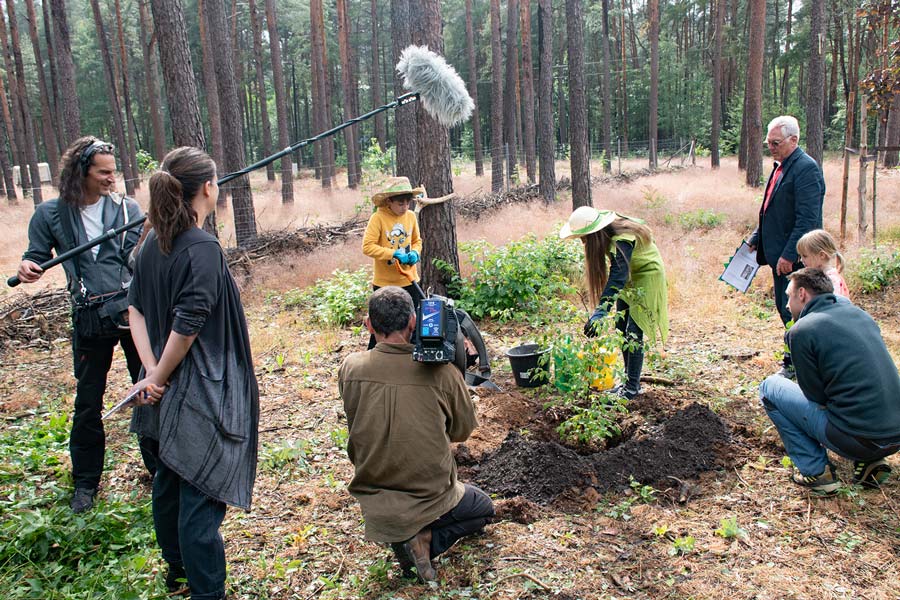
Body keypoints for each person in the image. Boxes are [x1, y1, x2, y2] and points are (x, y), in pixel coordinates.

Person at [127, 147, 259, 599]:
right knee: (200, 486)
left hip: (163, 381)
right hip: (202, 385)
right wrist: (159, 375)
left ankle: (177, 570)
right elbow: (188, 324)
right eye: (217, 180)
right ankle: (206, 591)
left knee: (169, 478)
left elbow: (135, 310)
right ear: (207, 187)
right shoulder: (201, 247)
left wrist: (149, 371)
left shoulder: (150, 243)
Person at [16, 136, 153, 513]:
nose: (112, 178)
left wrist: (147, 239)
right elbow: (35, 257)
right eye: (104, 172)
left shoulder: (127, 210)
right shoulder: (50, 214)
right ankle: (85, 485)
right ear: (81, 173)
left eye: (113, 171)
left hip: (129, 315)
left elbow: (134, 260)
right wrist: (28, 267)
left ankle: (159, 470)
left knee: (146, 390)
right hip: (88, 320)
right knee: (88, 403)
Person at [338, 286, 494, 583]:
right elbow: (461, 431)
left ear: (369, 325)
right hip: (431, 495)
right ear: (414, 322)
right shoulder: (443, 374)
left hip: (374, 497)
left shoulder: (349, 368)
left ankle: (405, 536)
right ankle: (425, 538)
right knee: (483, 508)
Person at [759, 268, 900, 496]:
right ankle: (871, 463)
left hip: (856, 439)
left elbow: (815, 397)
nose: (786, 304)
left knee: (769, 388)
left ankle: (816, 472)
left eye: (789, 296)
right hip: (895, 434)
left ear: (802, 294)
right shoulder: (861, 315)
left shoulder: (801, 330)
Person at [560, 206, 669, 399]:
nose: (583, 242)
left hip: (647, 277)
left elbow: (618, 276)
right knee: (620, 327)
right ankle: (628, 383)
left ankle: (632, 389)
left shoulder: (622, 239)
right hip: (630, 278)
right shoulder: (607, 234)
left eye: (584, 238)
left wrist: (601, 311)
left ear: (593, 233)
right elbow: (620, 275)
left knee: (634, 332)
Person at [747, 116, 825, 377]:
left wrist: (789, 255)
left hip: (796, 259)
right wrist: (757, 237)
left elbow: (807, 219)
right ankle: (795, 359)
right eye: (768, 143)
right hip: (778, 254)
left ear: (794, 140)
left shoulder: (806, 169)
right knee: (786, 307)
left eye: (776, 143)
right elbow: (771, 209)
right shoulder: (780, 166)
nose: (771, 147)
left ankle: (797, 364)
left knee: (797, 309)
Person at [362, 176, 424, 349]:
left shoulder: (410, 217)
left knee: (413, 326)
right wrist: (393, 254)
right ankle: (375, 360)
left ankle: (412, 360)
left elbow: (417, 240)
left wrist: (415, 253)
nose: (405, 207)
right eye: (400, 204)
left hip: (410, 280)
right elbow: (367, 247)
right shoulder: (378, 218)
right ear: (389, 201)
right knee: (382, 328)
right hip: (385, 285)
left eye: (407, 203)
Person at [796, 229, 849, 298]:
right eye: (800, 256)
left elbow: (833, 306)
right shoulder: (818, 276)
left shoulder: (832, 280)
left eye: (805, 256)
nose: (801, 260)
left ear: (822, 255)